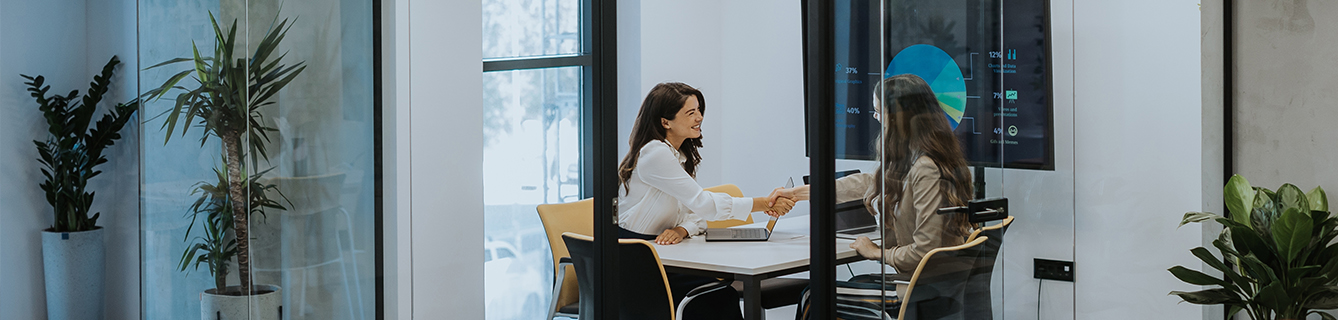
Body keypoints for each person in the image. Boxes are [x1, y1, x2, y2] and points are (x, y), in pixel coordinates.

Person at [777, 74, 976, 318]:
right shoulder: (921, 158)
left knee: (814, 297)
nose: (876, 119)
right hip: (932, 283)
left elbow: (926, 251)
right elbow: (868, 182)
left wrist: (877, 253)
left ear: (896, 118)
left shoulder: (925, 167)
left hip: (923, 290)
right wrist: (799, 193)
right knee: (850, 282)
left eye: (878, 112)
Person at [616, 82, 796, 320]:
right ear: (665, 122)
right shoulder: (655, 154)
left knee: (719, 294)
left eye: (699, 110)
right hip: (638, 259)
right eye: (690, 113)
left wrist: (682, 229)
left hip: (663, 253)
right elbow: (704, 204)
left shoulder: (677, 154)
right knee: (717, 296)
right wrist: (764, 203)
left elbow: (695, 211)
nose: (699, 117)